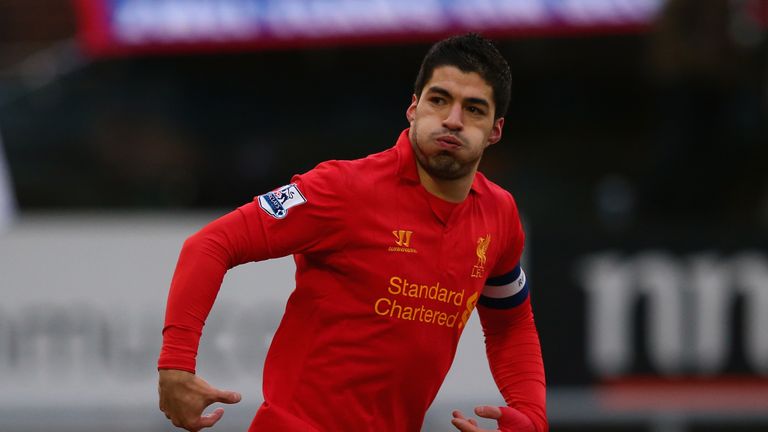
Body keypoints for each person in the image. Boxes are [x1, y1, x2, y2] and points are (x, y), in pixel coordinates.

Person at [158, 33, 547, 432]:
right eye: (439, 100)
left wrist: (532, 415)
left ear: (495, 130)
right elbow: (209, 245)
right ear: (413, 108)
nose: (452, 119)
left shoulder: (499, 215)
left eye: (474, 109)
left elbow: (511, 323)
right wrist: (175, 364)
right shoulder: (343, 188)